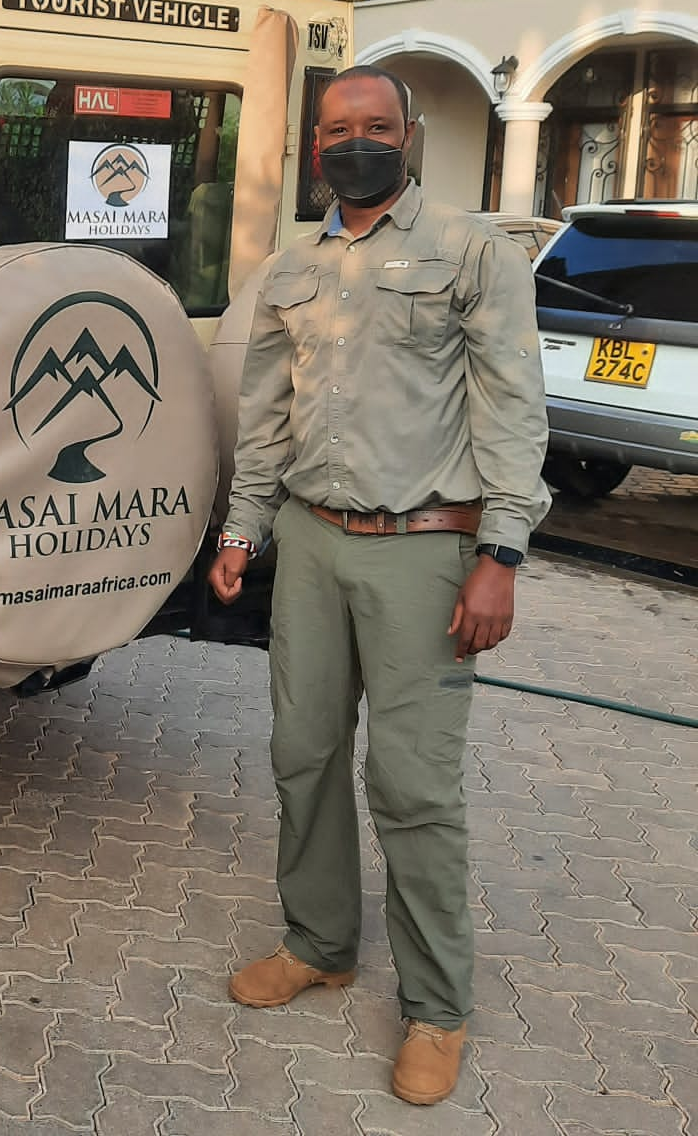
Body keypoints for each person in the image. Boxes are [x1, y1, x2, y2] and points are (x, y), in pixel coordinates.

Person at [209, 64, 550, 1106]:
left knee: (410, 784)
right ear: (315, 145)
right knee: (300, 751)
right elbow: (265, 410)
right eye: (334, 126)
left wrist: (499, 553)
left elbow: (509, 407)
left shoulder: (469, 251)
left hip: (426, 550)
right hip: (310, 542)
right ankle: (318, 941)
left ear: (405, 135)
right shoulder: (290, 268)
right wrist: (240, 528)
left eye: (373, 123)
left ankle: (436, 1007)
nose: (354, 139)